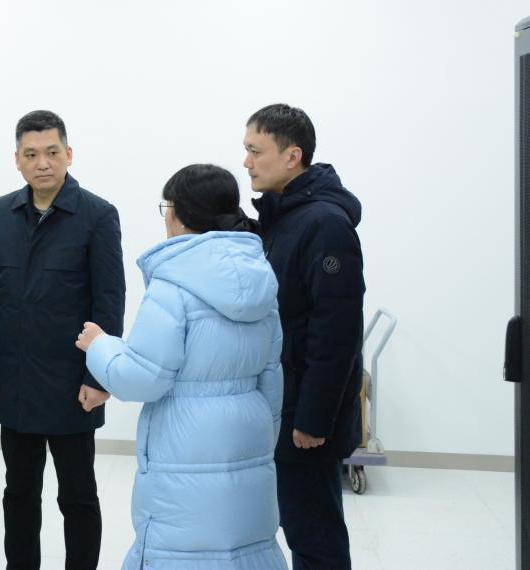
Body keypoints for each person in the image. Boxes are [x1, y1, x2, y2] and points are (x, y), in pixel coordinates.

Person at [76, 163, 287, 570]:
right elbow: (271, 377)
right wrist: (260, 437)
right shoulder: (261, 279)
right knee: (244, 549)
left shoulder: (173, 286)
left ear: (178, 213)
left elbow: (142, 379)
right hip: (249, 432)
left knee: (181, 550)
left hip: (183, 440)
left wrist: (100, 346)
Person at [0, 110, 125, 569]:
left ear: (69, 154)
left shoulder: (97, 215)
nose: (42, 163)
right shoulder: (2, 212)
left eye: (52, 152)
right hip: (15, 378)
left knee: (77, 495)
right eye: (31, 154)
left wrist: (99, 377)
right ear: (17, 160)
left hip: (72, 384)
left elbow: (109, 304)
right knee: (19, 492)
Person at [242, 104, 365, 570]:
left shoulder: (324, 225)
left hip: (307, 417)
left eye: (256, 151)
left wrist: (313, 419)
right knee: (300, 526)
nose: (247, 162)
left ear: (292, 156)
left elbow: (336, 334)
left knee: (315, 537)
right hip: (286, 404)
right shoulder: (283, 217)